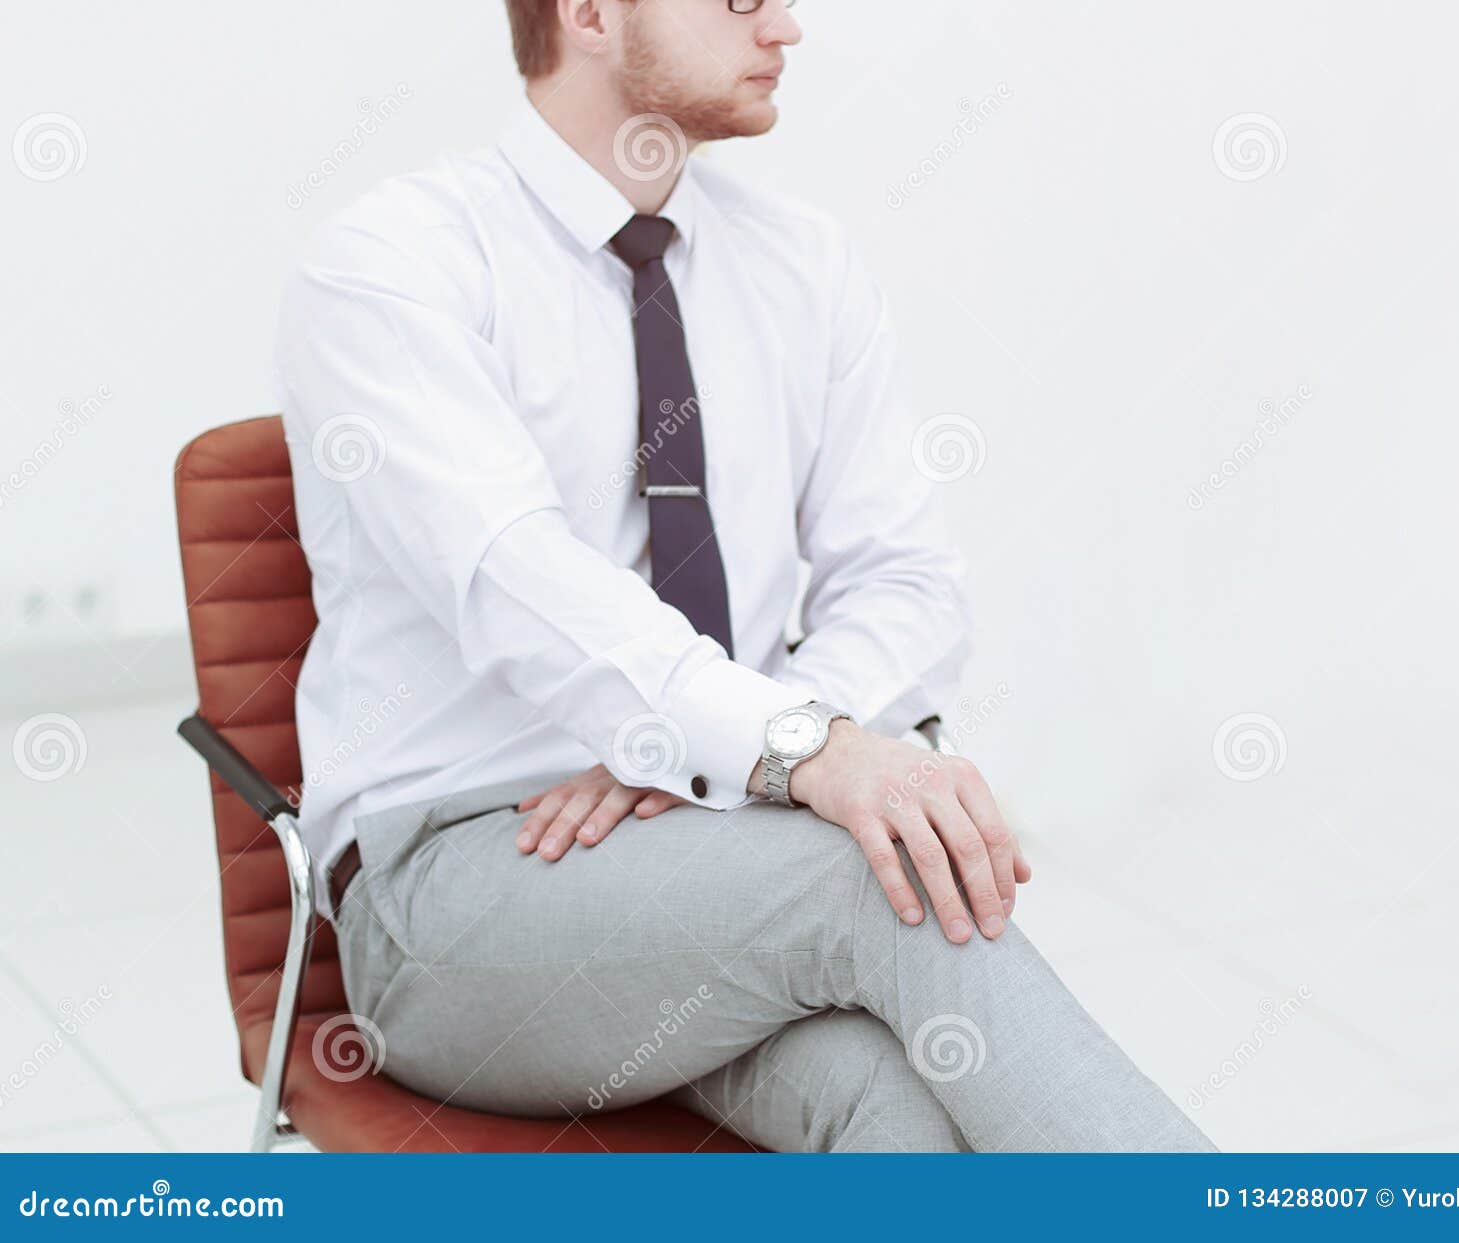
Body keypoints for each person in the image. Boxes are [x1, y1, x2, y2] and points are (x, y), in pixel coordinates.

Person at [273, 0, 1213, 1152]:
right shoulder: (390, 265)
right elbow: (521, 582)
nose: (785, 27)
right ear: (589, 14)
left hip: (713, 869)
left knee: (898, 1105)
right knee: (875, 873)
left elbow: (908, 582)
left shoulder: (800, 261)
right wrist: (786, 752)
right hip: (461, 887)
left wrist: (738, 755)